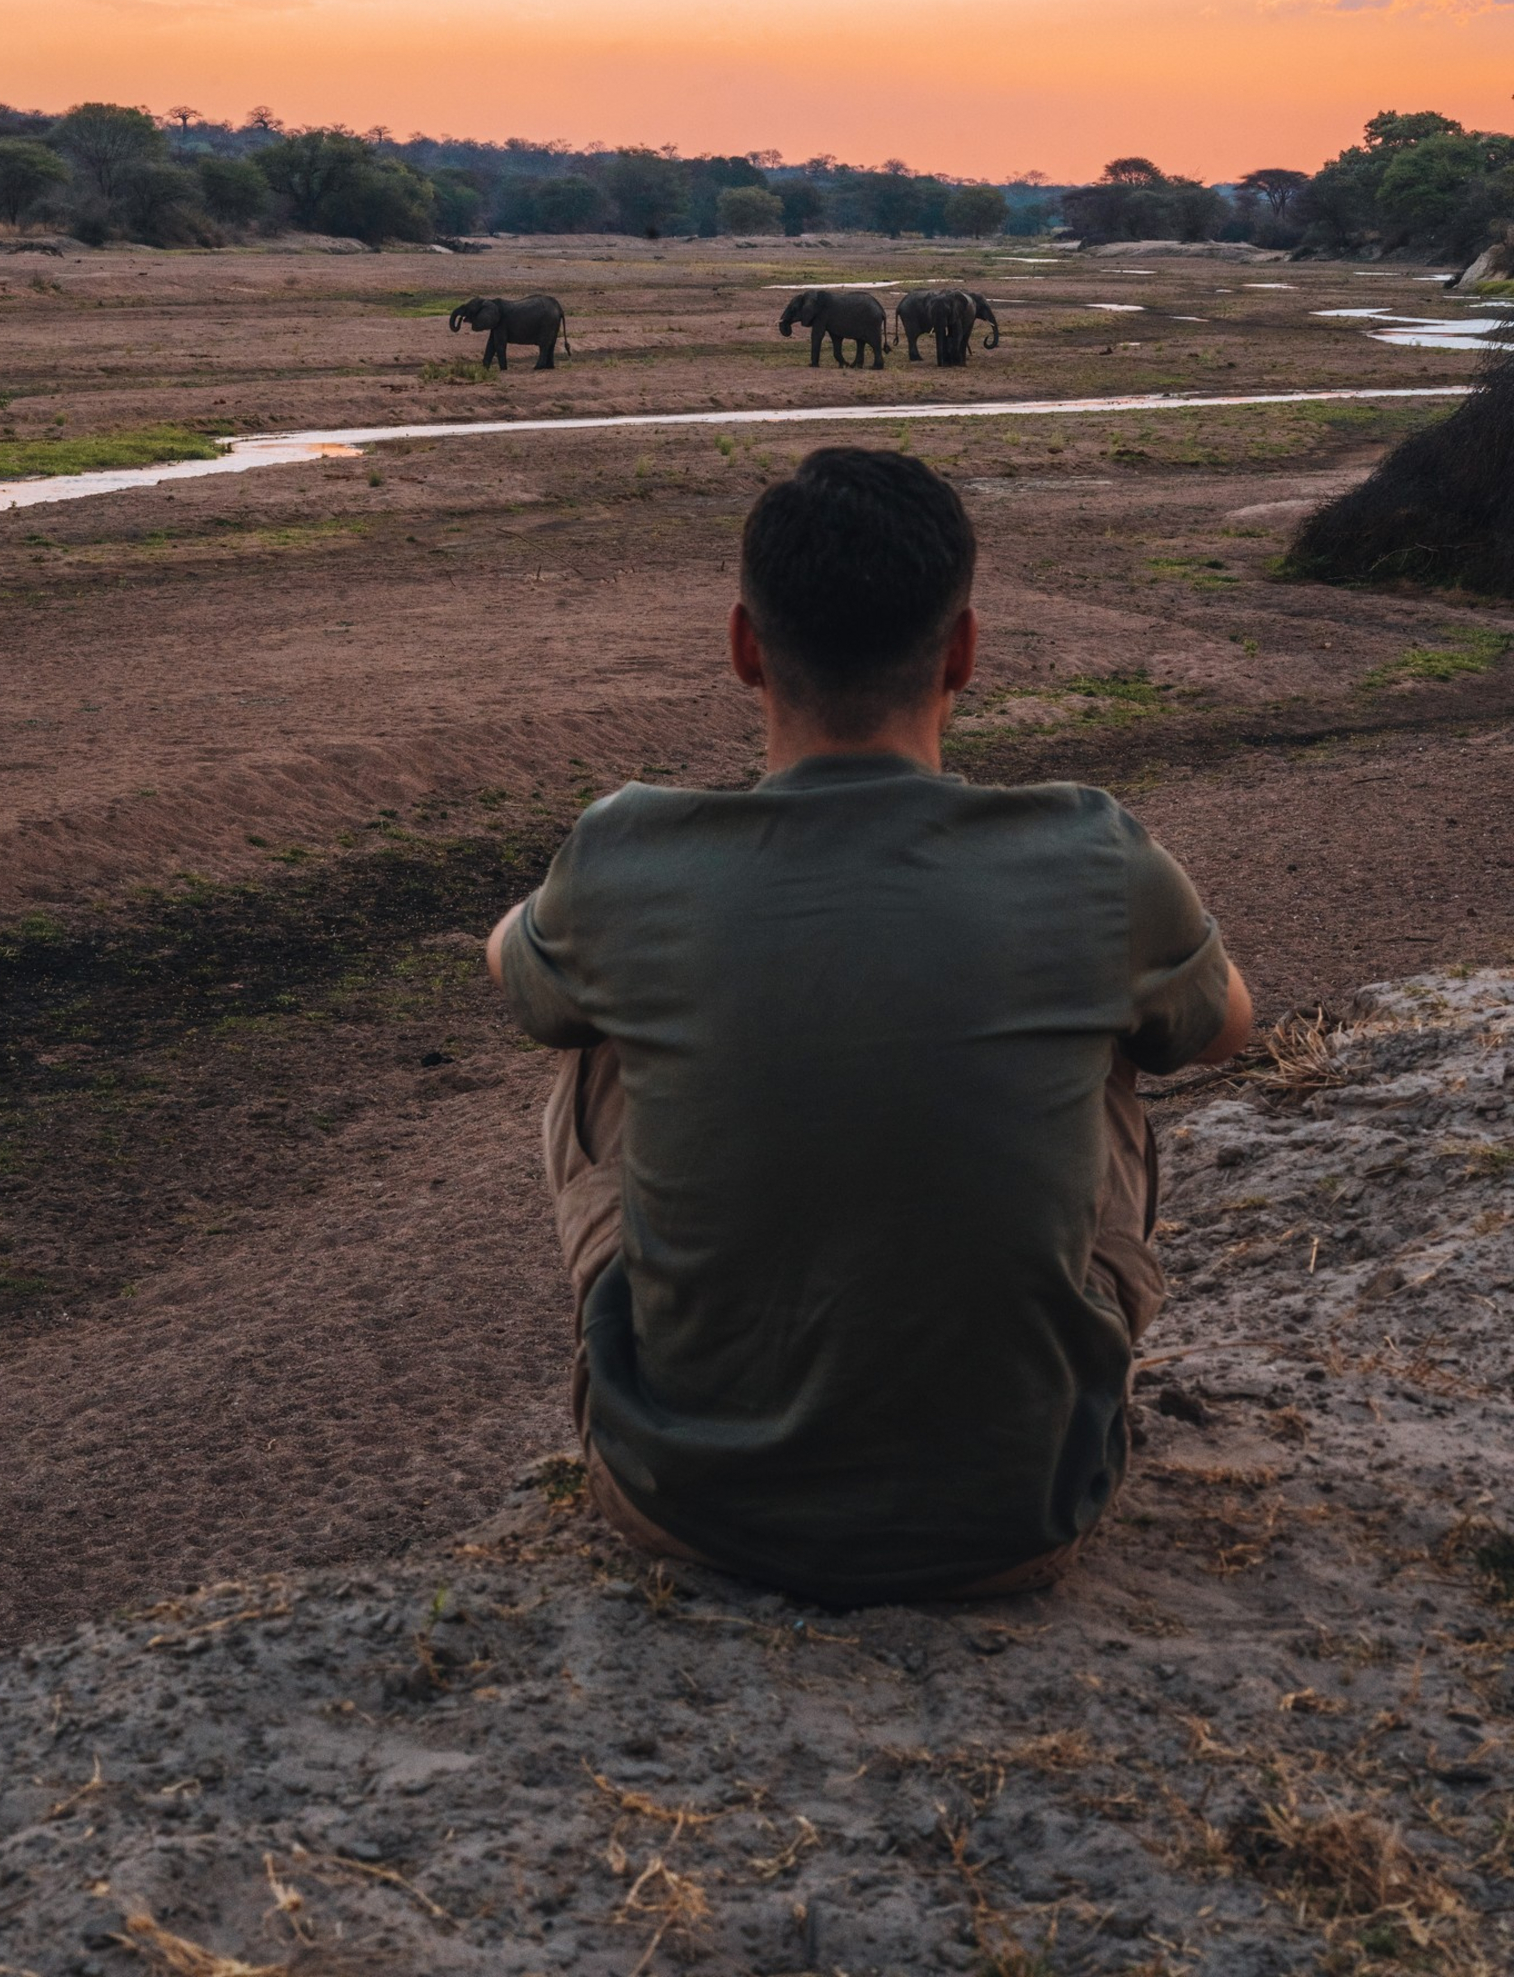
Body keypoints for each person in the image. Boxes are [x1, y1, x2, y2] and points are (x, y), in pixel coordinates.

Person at [487, 447, 1251, 1604]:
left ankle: (706, 1393)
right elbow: (1224, 1029)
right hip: (1023, 1510)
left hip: (688, 1510)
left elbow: (514, 976)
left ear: (745, 646)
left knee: (585, 1030)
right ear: (963, 651)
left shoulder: (625, 852)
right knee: (1116, 1046)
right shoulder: (1093, 851)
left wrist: (570, 909)